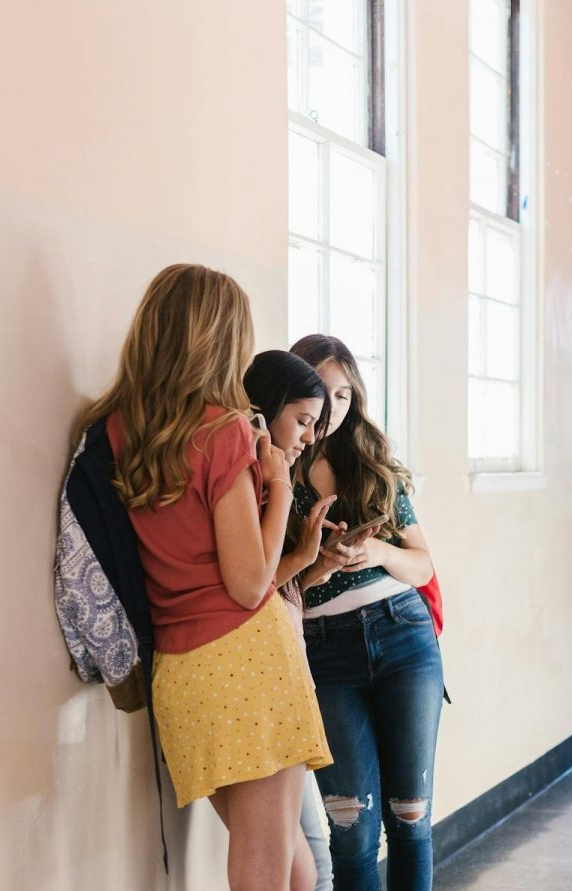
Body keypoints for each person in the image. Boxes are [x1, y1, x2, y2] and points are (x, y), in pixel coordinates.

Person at [84, 264, 331, 891]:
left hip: (180, 670)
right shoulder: (223, 431)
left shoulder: (114, 429)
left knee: (289, 854)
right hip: (247, 659)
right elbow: (250, 584)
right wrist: (277, 486)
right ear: (220, 338)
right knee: (266, 855)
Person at [289, 334, 442, 891]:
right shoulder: (272, 471)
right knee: (350, 829)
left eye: (345, 395)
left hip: (403, 636)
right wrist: (319, 567)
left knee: (411, 814)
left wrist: (376, 551)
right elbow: (265, 586)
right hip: (323, 650)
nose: (332, 408)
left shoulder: (375, 466)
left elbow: (423, 567)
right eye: (320, 393)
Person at [245, 350, 372, 891]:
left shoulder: (275, 473)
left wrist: (314, 560)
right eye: (303, 420)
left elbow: (277, 582)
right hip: (265, 665)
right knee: (301, 849)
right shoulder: (261, 477)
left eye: (340, 400)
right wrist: (300, 545)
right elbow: (254, 586)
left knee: (306, 846)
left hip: (283, 656)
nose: (312, 433)